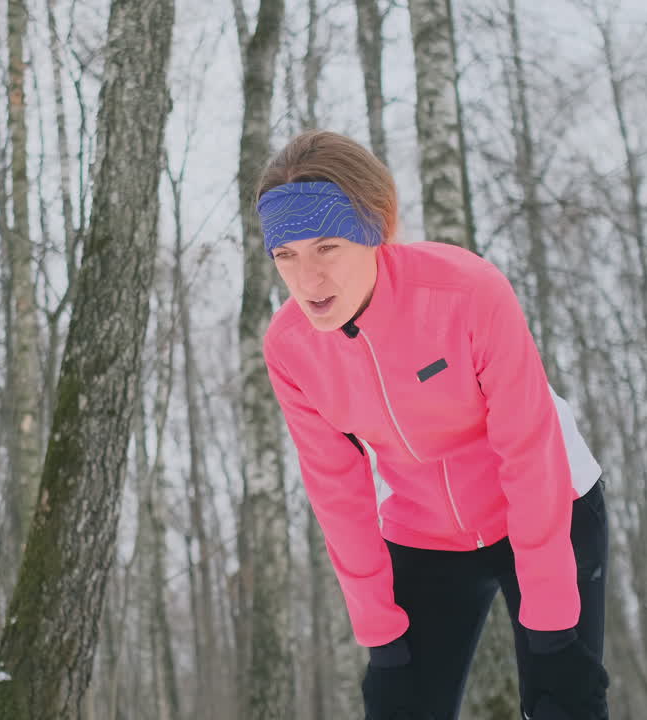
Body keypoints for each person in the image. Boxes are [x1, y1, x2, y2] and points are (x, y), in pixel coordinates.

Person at [257, 130, 609, 720]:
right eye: (285, 255)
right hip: (423, 533)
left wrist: (551, 627)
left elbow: (529, 447)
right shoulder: (291, 349)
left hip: (551, 505)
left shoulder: (465, 293)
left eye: (327, 247)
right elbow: (337, 493)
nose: (307, 280)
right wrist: (381, 632)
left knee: (562, 700)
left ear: (375, 230)